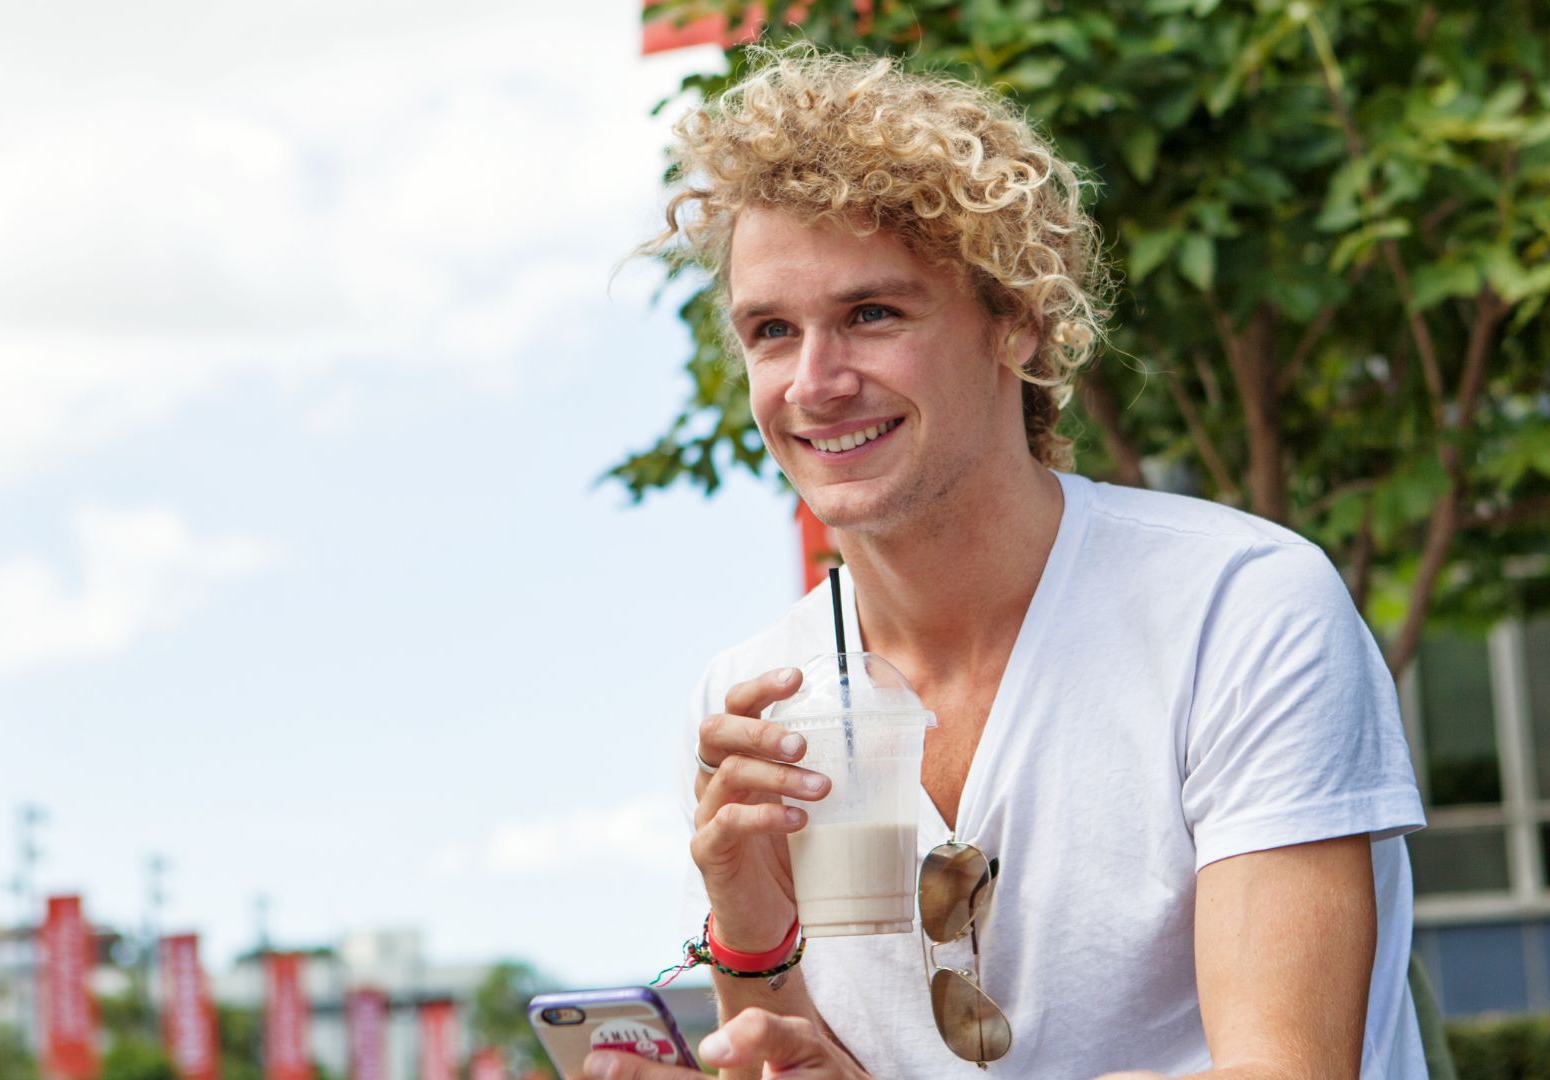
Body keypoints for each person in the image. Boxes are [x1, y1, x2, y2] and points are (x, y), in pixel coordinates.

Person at [593, 48, 1426, 1080]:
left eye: (871, 314)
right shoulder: (756, 701)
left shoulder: (1241, 609)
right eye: (772, 330)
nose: (814, 383)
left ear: (1020, 322)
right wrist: (748, 929)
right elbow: (798, 1059)